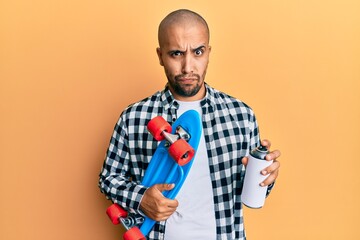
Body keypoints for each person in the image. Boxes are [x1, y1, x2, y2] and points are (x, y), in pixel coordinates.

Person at [99, 9, 281, 240]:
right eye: (176, 53)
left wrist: (265, 177)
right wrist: (141, 198)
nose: (187, 67)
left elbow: (251, 192)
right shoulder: (133, 117)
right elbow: (108, 178)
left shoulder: (241, 115)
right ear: (160, 55)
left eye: (198, 52)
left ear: (208, 53)